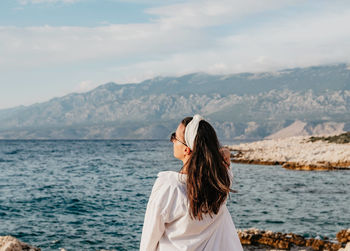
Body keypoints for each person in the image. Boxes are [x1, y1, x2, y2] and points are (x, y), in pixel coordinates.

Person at [140, 115, 243, 251]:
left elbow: (150, 236)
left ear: (186, 149)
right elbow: (225, 156)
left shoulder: (170, 186)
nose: (172, 141)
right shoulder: (221, 181)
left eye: (174, 137)